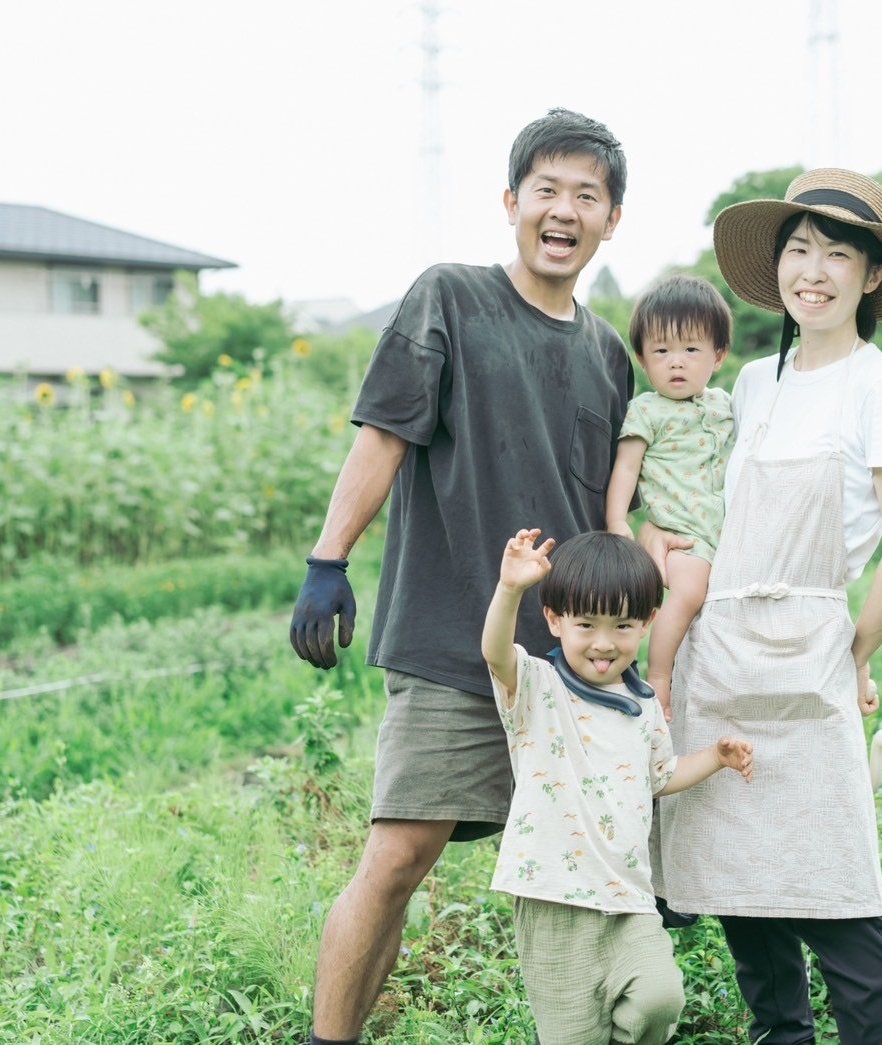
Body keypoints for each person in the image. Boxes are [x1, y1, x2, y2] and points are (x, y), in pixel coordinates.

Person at [288, 108, 634, 1045]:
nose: (563, 212)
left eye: (586, 197)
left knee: (590, 872)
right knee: (400, 855)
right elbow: (385, 434)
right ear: (512, 201)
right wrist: (329, 559)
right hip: (453, 640)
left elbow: (613, 516)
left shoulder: (609, 354)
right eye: (547, 191)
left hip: (571, 665)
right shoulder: (450, 296)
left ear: (612, 220)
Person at [651, 168, 882, 1045]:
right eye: (798, 249)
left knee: (839, 893)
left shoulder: (878, 387)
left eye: (836, 254)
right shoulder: (749, 382)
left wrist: (852, 653)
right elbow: (710, 512)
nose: (811, 271)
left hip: (808, 649)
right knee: (742, 884)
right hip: (720, 648)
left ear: (873, 275)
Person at [481, 527, 754, 1044]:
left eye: (623, 626)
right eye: (585, 624)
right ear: (555, 620)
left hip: (628, 895)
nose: (604, 643)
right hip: (554, 896)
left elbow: (662, 775)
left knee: (659, 996)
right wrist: (510, 589)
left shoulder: (644, 701)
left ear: (648, 622)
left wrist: (715, 759)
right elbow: (496, 653)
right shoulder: (537, 686)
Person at [605, 274, 735, 719]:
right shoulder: (646, 409)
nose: (675, 363)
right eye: (661, 351)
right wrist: (619, 522)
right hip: (680, 533)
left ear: (718, 355)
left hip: (722, 536)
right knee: (689, 593)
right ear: (642, 358)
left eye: (691, 350)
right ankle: (659, 677)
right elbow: (625, 467)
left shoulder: (724, 406)